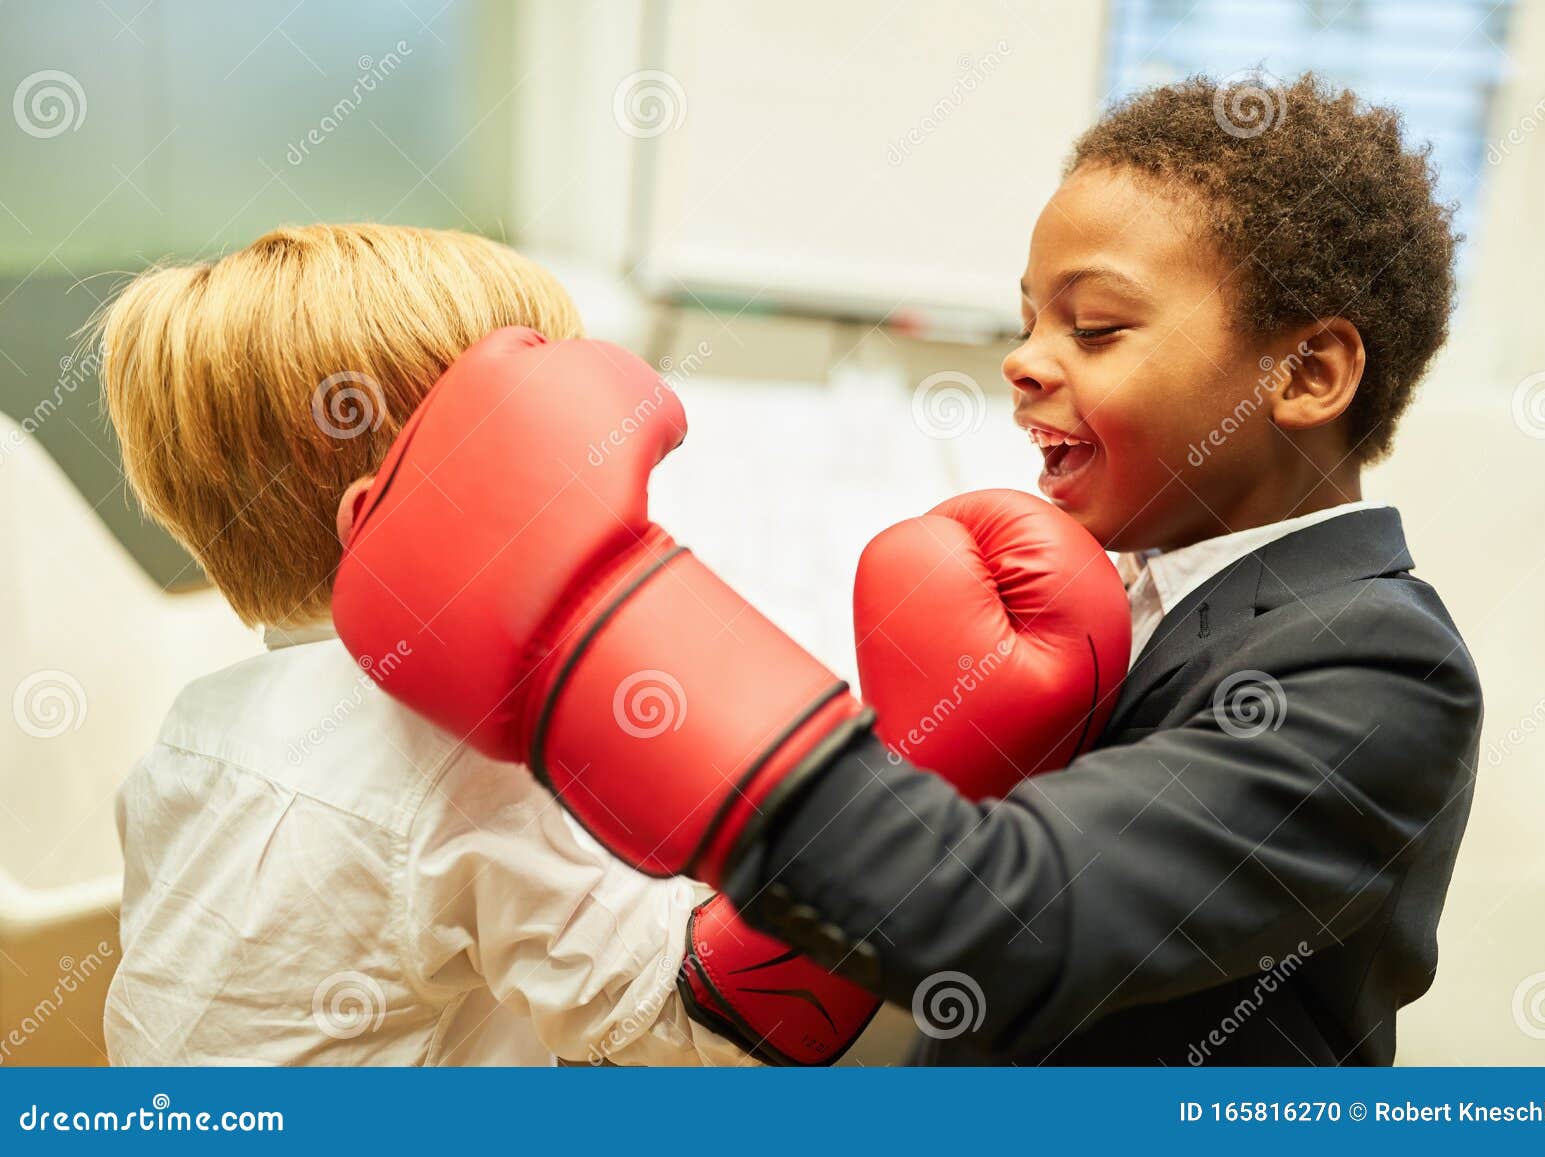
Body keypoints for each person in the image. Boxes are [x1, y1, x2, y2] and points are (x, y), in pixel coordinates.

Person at [333, 73, 1484, 1065]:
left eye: (1094, 329)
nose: (1024, 360)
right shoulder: (1104, 594)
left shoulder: (1377, 668)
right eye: (1027, 320)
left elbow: (1013, 915)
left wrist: (598, 635)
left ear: (1308, 372)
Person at [95, 224, 753, 1066]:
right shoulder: (453, 755)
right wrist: (876, 807)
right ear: (398, 520)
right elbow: (698, 1029)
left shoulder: (194, 726)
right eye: (544, 447)